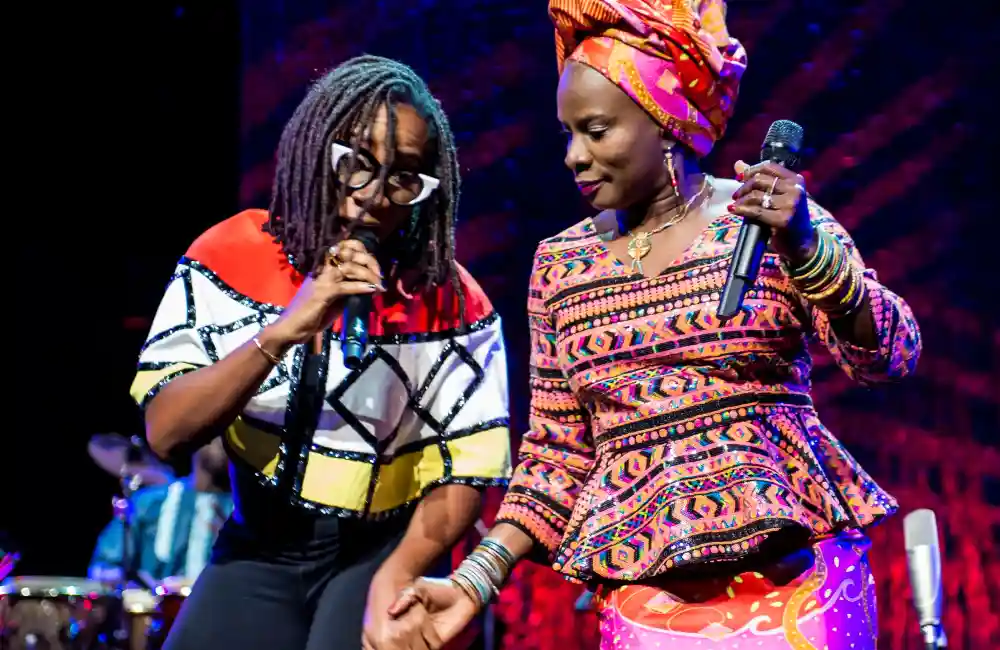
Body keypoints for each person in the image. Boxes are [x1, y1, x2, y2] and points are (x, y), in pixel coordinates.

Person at [386, 2, 922, 649]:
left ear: (664, 121)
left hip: (796, 587)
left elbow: (890, 354)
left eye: (596, 130)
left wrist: (808, 249)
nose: (573, 157)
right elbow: (555, 455)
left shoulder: (768, 221)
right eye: (567, 134)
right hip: (648, 600)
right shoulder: (561, 265)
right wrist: (473, 581)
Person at [129, 55, 511, 650]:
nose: (375, 197)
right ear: (317, 148)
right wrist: (285, 328)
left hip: (379, 548)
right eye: (357, 164)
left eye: (405, 177)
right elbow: (166, 431)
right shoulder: (231, 255)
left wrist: (402, 570)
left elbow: (463, 472)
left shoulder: (454, 302)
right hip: (258, 542)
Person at [88, 438, 233, 585]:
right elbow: (102, 568)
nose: (221, 440)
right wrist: (134, 583)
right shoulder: (150, 502)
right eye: (215, 429)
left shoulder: (244, 513)